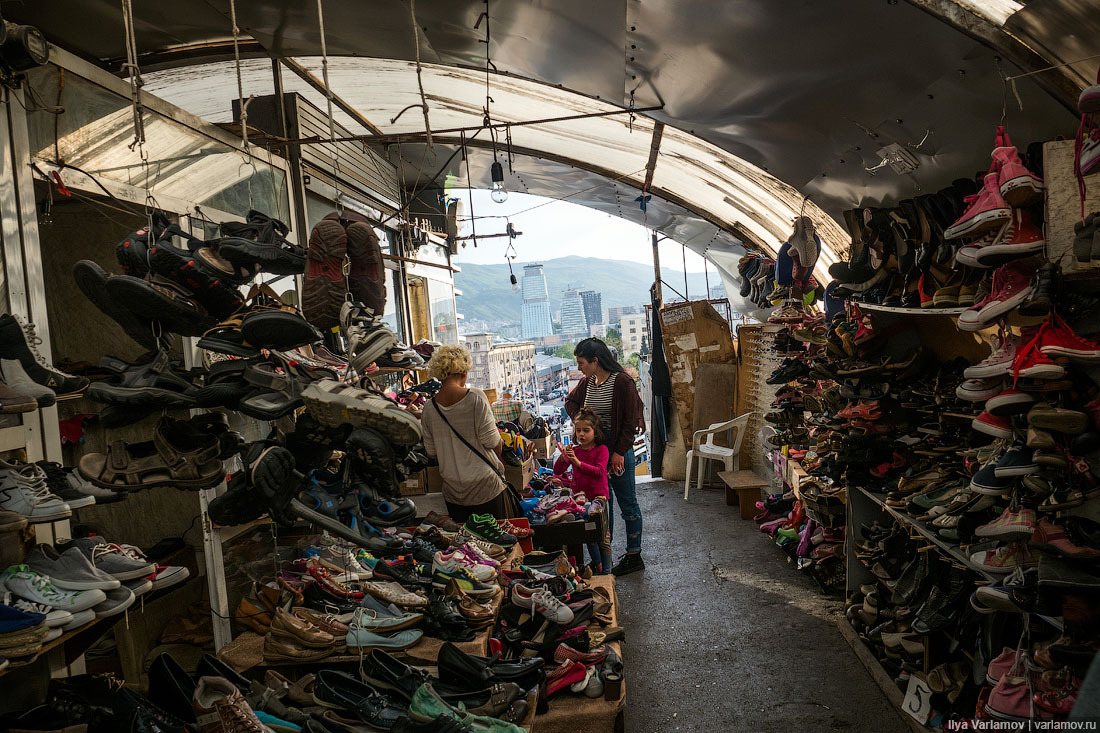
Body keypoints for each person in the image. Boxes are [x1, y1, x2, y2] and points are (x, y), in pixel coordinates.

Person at [565, 337, 646, 576]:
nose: (579, 367)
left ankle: (634, 555)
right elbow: (571, 402)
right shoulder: (588, 382)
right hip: (596, 452)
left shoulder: (622, 382)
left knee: (627, 502)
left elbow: (630, 421)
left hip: (618, 450)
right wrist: (584, 423)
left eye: (581, 362)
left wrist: (619, 452)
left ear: (595, 361)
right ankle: (602, 560)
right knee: (600, 504)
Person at [420, 345, 515, 523]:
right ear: (463, 373)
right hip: (486, 488)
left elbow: (431, 452)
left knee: (466, 547)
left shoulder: (429, 408)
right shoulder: (475, 398)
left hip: (453, 492)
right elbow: (493, 443)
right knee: (500, 543)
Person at [553, 407, 613, 574]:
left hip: (598, 498)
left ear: (595, 431)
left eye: (586, 430)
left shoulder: (602, 450)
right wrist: (565, 457)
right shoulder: (576, 451)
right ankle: (598, 565)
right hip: (581, 500)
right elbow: (557, 470)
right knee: (588, 535)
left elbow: (600, 472)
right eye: (578, 430)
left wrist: (578, 463)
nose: (581, 434)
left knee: (602, 537)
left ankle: (607, 571)